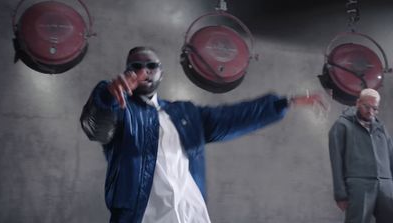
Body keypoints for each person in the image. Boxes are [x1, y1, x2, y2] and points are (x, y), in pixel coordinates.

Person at [80, 46, 326, 223]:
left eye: (151, 65)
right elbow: (96, 127)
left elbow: (234, 116)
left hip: (190, 214)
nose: (144, 70)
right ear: (127, 72)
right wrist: (107, 97)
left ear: (161, 73)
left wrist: (285, 102)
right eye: (136, 66)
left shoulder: (184, 113)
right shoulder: (121, 111)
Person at [329, 88, 393, 223]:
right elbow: (336, 161)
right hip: (359, 186)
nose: (370, 111)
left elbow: (391, 157)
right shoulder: (342, 125)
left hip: (386, 186)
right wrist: (340, 194)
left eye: (374, 108)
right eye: (366, 106)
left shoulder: (381, 128)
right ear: (358, 103)